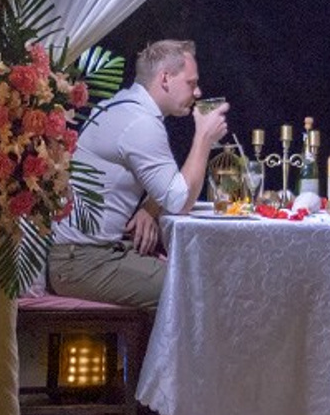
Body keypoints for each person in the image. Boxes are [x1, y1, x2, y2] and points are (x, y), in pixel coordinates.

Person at [47, 38, 228, 310]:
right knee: (200, 291)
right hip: (81, 263)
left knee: (204, 272)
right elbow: (180, 201)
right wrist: (203, 137)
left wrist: (149, 207)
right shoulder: (140, 123)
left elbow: (166, 188)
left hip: (93, 254)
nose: (198, 92)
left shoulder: (124, 106)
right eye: (191, 83)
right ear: (165, 78)